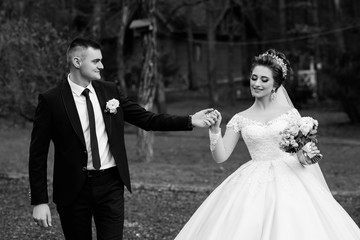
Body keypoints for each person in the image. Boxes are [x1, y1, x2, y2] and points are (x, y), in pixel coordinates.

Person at [28, 37, 217, 240]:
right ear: (77, 62)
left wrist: (189, 120)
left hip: (110, 185)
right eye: (96, 61)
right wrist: (40, 201)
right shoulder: (51, 100)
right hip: (73, 190)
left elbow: (148, 120)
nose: (101, 65)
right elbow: (38, 154)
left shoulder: (110, 91)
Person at [174, 49, 360, 240]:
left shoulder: (290, 114)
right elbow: (221, 157)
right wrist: (214, 131)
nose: (256, 83)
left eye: (264, 80)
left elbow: (299, 153)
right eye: (254, 78)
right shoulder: (240, 119)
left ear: (275, 86)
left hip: (291, 178)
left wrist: (305, 155)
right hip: (253, 179)